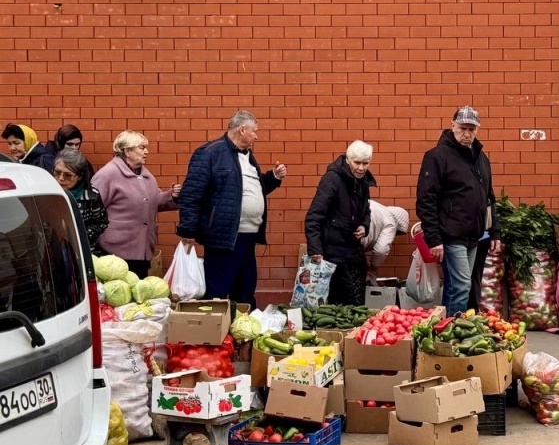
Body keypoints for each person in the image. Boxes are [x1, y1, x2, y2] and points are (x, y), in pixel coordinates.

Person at [176, 111, 287, 307]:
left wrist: (273, 178)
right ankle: (215, 325)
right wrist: (188, 230)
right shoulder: (209, 153)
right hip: (223, 237)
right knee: (218, 290)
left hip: (248, 236)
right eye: (254, 131)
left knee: (245, 288)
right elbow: (191, 194)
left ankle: (242, 324)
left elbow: (252, 189)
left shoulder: (248, 156)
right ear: (242, 129)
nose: (256, 136)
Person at [416, 106, 501, 316]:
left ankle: (446, 327)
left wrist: (495, 231)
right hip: (451, 235)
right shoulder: (437, 156)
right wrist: (434, 239)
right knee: (462, 285)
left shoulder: (481, 158)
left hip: (474, 234)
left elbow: (489, 196)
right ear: (452, 125)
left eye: (472, 129)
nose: (467, 134)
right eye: (463, 128)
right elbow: (426, 199)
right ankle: (456, 327)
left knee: (457, 286)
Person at [92, 130, 180, 278]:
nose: (146, 151)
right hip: (115, 253)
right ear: (127, 151)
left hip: (142, 251)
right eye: (142, 147)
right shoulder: (107, 174)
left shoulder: (146, 176)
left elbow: (153, 201)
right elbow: (93, 210)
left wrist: (172, 196)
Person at [305, 141, 377, 305]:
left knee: (355, 299)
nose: (361, 168)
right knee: (339, 300)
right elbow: (314, 216)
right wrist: (315, 249)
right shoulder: (332, 179)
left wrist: (364, 226)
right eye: (357, 163)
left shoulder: (363, 181)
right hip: (332, 250)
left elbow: (366, 210)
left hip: (353, 250)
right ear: (348, 160)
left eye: (365, 163)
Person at [53, 148, 108, 255]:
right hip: (53, 250)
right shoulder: (48, 192)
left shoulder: (91, 196)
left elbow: (101, 223)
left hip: (82, 251)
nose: (61, 178)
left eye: (68, 175)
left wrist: (82, 235)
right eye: (57, 172)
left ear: (79, 176)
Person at [362, 200, 410, 271]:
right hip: (354, 245)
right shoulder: (391, 222)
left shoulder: (375, 206)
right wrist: (373, 268)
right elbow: (381, 251)